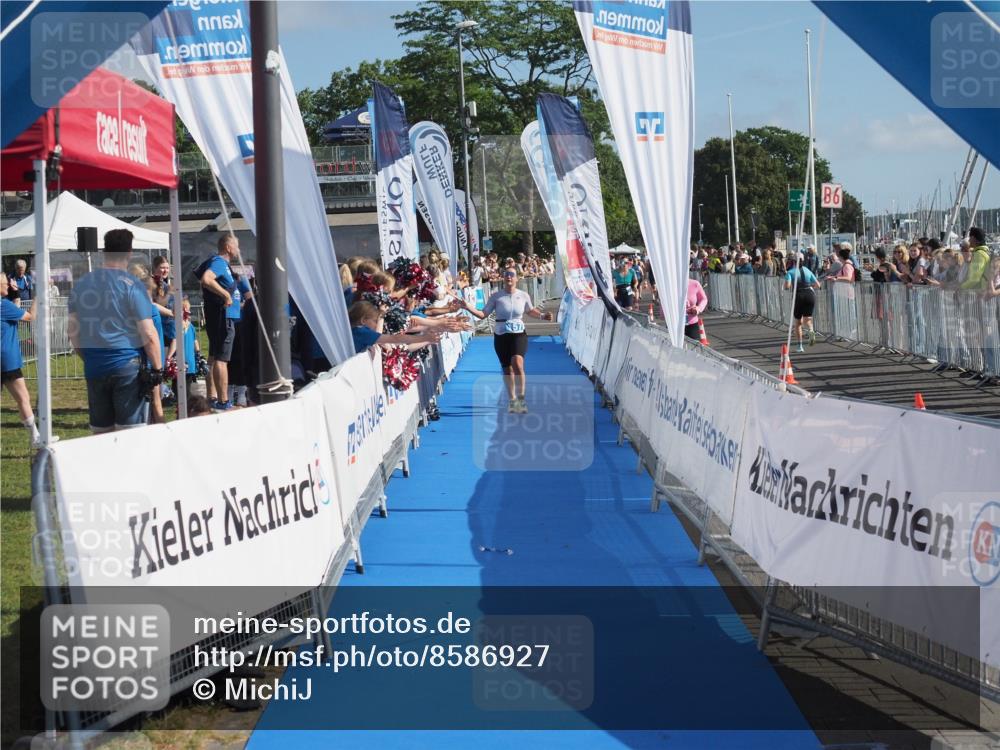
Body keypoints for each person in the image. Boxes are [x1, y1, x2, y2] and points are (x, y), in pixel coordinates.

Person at [68, 229, 162, 433]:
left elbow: (72, 332)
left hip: (94, 365)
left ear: (104, 252)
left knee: (101, 434)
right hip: (127, 366)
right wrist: (157, 368)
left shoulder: (81, 285)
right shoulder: (132, 286)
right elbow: (148, 333)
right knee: (131, 434)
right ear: (129, 253)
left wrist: (88, 358)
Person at [460, 268, 553, 413]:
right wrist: (467, 306)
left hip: (518, 334)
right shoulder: (496, 297)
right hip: (501, 335)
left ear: (517, 278)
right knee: (507, 369)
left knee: (518, 363)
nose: (509, 277)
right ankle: (512, 400)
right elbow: (483, 314)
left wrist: (542, 316)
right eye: (506, 275)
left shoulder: (523, 295)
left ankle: (521, 399)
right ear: (503, 278)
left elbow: (530, 310)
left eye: (512, 274)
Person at [198, 235, 239, 411]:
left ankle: (213, 397)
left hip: (222, 316)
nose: (239, 250)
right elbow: (206, 279)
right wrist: (226, 295)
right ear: (228, 247)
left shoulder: (222, 264)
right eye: (237, 246)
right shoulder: (219, 263)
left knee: (214, 356)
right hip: (223, 317)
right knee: (222, 359)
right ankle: (223, 402)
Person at [1, 273, 41, 446]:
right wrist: (38, 296)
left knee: (23, 398)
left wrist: (16, 292)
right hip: (6, 360)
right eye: (5, 283)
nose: (8, 285)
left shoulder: (5, 305)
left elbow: (15, 308)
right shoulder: (3, 305)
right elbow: (30, 316)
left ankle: (36, 437)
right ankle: (36, 438)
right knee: (23, 398)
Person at [348, 300, 440, 353]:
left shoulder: (351, 329)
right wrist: (425, 338)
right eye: (375, 321)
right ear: (363, 321)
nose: (377, 324)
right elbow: (396, 338)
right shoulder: (362, 332)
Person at [784, 258, 821, 351]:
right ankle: (811, 330)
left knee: (798, 323)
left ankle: (800, 346)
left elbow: (787, 286)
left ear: (793, 262)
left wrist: (785, 285)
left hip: (798, 295)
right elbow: (818, 285)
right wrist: (809, 286)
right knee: (808, 319)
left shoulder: (790, 272)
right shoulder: (807, 270)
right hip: (809, 294)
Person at [685, 277, 708, 341]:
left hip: (692, 323)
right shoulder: (670, 284)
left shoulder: (695, 284)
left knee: (693, 346)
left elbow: (704, 299)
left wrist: (698, 308)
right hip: (674, 325)